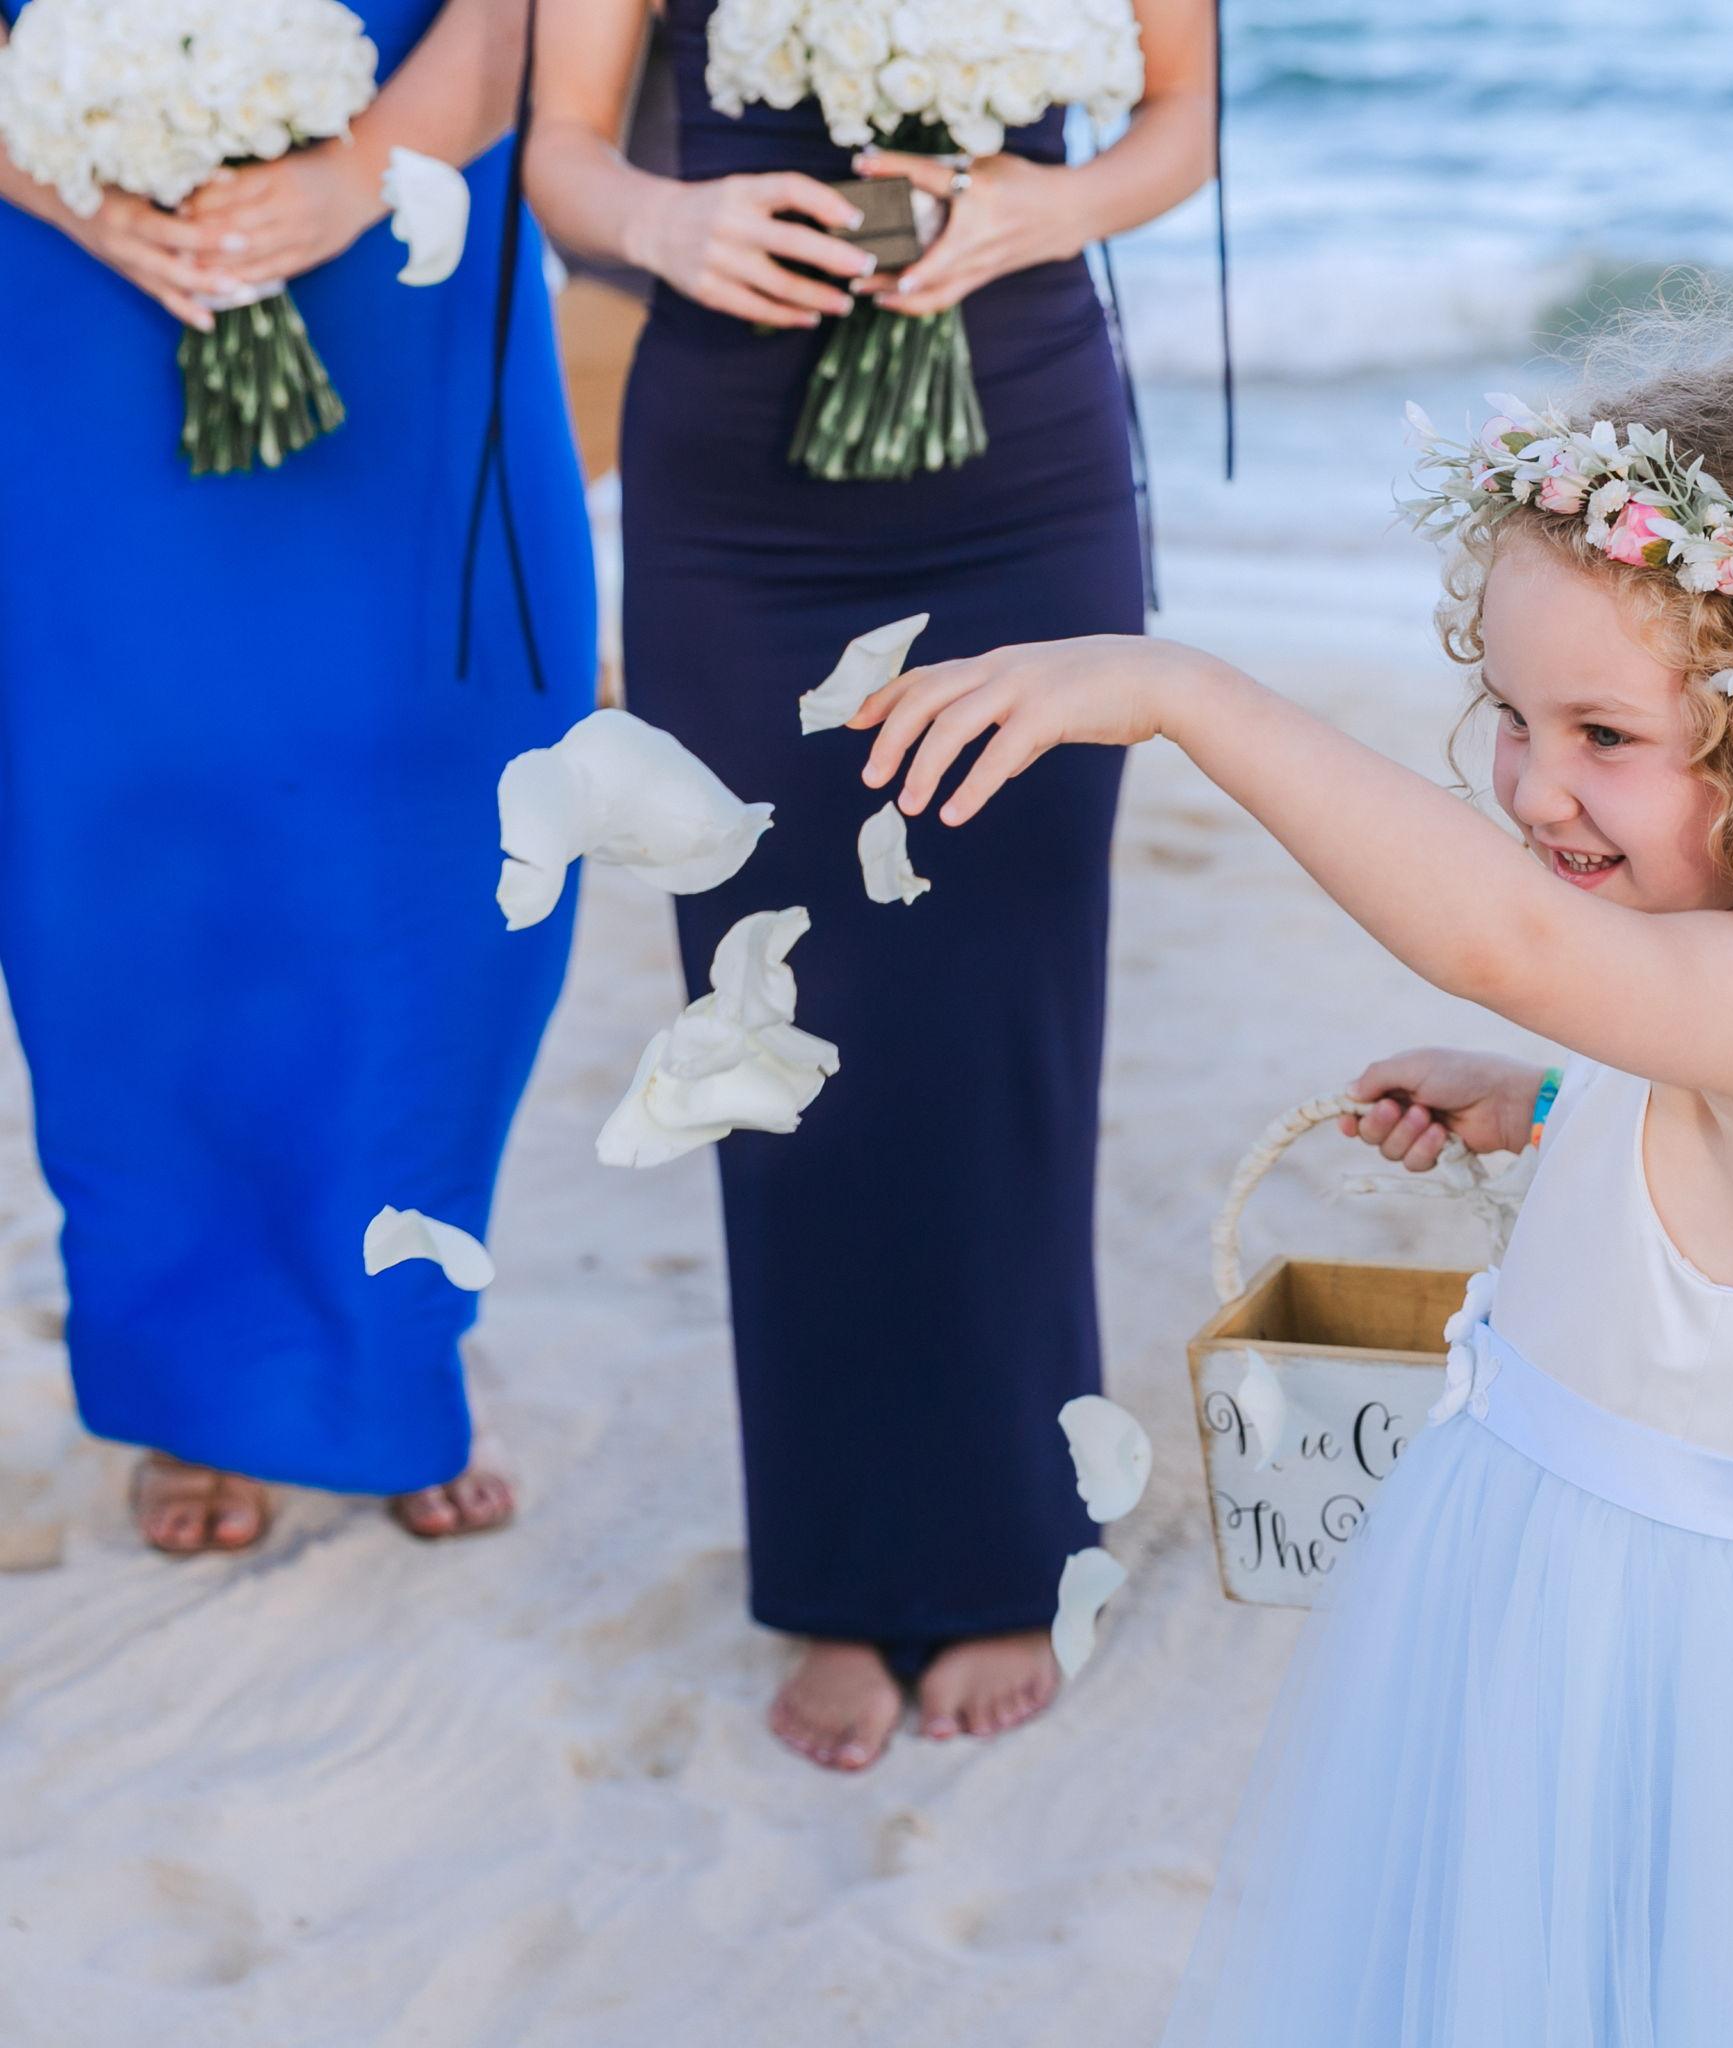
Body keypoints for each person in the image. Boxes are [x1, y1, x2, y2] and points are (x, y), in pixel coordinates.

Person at [852, 335, 1733, 2040]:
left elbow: (1497, 934)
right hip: (1573, 1578)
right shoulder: (1731, 980)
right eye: (1506, 713)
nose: (1532, 785)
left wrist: (1185, 692)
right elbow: (1685, 1122)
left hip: (1666, 1647)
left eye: (1604, 735)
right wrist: (1546, 1106)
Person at [524, 0, 1214, 1770]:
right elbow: (562, 154)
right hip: (735, 489)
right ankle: (834, 1575)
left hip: (1028, 457)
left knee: (1004, 1009)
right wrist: (664, 221)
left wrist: (1042, 210)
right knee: (771, 1006)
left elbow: (1182, 123)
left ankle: (1008, 1541)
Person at [0, 0, 594, 1551]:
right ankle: (189, 1380)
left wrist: (357, 170)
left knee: (434, 829)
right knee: (121, 830)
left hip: (410, 233)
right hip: (69, 267)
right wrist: (81, 183)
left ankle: (392, 1349)